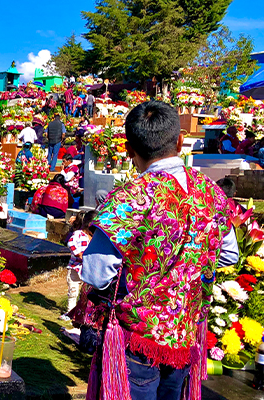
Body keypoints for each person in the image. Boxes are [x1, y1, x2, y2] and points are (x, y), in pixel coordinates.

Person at [81, 101, 239, 400]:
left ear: (129, 150)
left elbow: (95, 272)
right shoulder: (212, 193)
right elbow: (230, 255)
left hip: (136, 339)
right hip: (186, 334)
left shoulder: (131, 198)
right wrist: (188, 265)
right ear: (180, 141)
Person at [60, 210, 97, 321]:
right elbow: (70, 243)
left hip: (86, 270)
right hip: (75, 268)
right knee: (73, 291)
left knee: (85, 293)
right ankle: (70, 311)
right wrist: (79, 254)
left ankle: (82, 313)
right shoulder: (78, 234)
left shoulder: (94, 238)